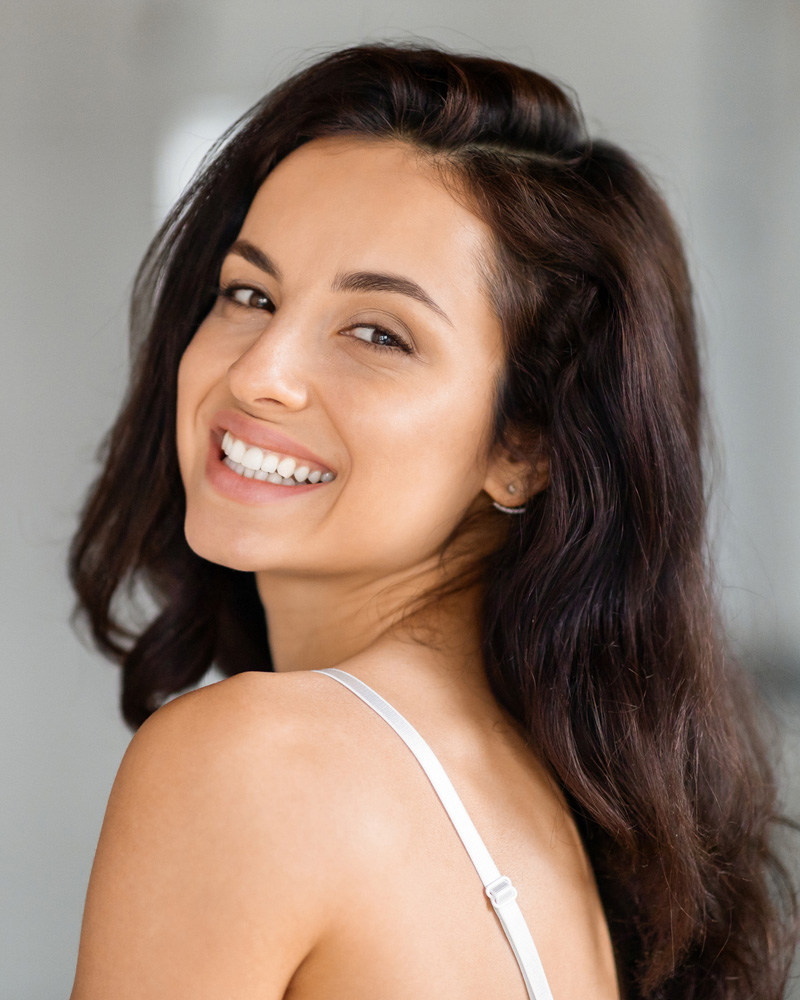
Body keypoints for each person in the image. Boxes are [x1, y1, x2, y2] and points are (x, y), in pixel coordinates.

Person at [67, 43, 798, 1000]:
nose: (258, 373)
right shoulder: (548, 813)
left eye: (379, 333)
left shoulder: (254, 762)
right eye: (250, 294)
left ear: (523, 445)